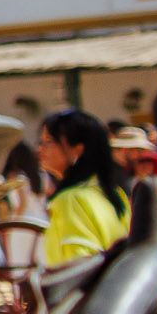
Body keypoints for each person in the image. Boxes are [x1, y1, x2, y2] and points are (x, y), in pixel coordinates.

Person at [37, 107, 134, 267]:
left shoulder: (70, 199)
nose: (40, 149)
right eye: (41, 142)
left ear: (77, 150)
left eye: (49, 141)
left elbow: (78, 267)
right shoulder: (114, 193)